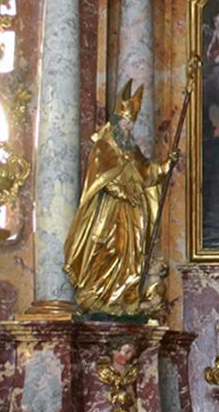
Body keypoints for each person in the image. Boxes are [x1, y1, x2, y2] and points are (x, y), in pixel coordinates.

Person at [64, 80, 167, 317]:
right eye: (126, 122)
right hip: (109, 210)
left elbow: (147, 173)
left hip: (131, 212)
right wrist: (116, 188)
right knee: (111, 248)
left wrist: (166, 165)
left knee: (131, 255)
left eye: (132, 123)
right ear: (116, 121)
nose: (129, 127)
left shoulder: (131, 149)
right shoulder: (102, 147)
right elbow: (98, 177)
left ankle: (123, 299)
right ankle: (97, 294)